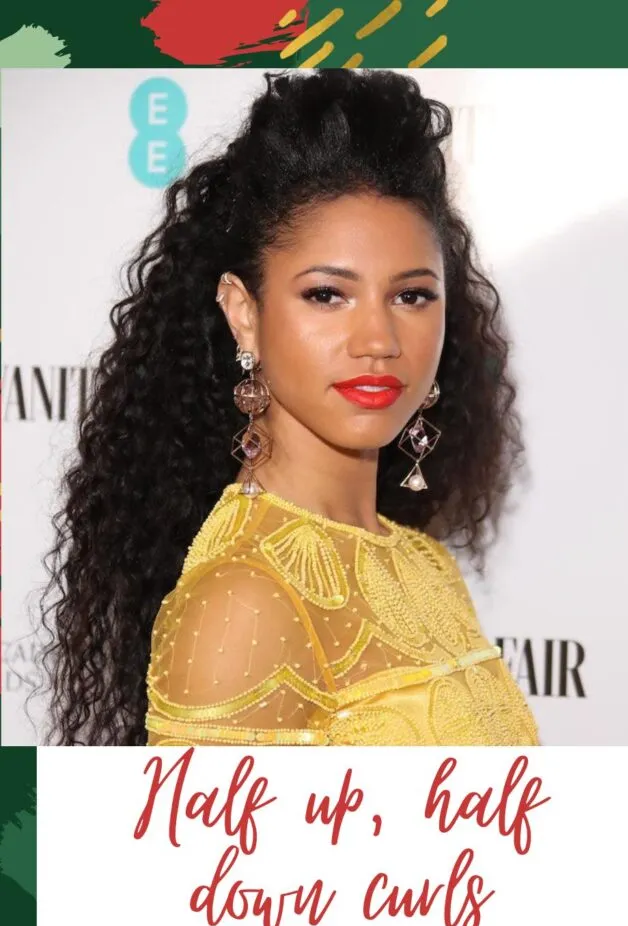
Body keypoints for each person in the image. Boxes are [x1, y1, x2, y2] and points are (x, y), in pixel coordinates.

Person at [41, 69, 538, 746]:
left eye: (412, 296)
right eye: (327, 295)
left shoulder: (423, 564)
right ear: (243, 314)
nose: (378, 341)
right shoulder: (241, 602)